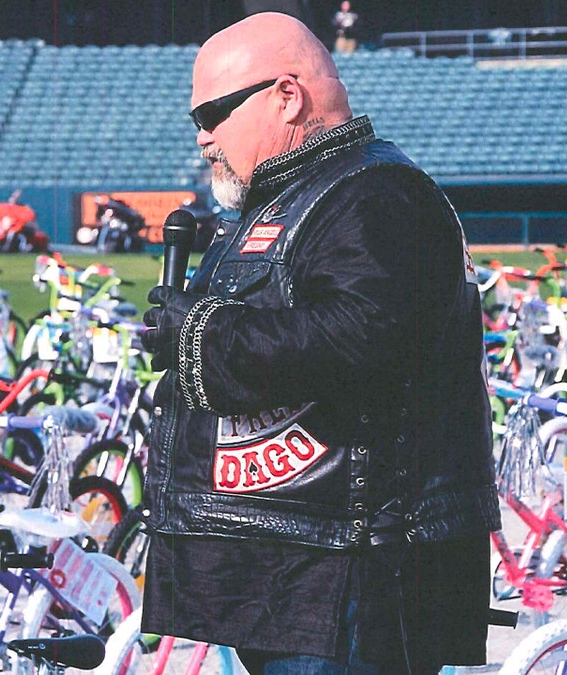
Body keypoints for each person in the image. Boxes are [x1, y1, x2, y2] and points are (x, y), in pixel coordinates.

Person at [139, 12, 501, 675]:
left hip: (352, 577)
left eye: (215, 110)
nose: (202, 135)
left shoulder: (376, 192)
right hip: (297, 570)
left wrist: (201, 333)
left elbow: (364, 338)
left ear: (288, 94)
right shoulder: (292, 197)